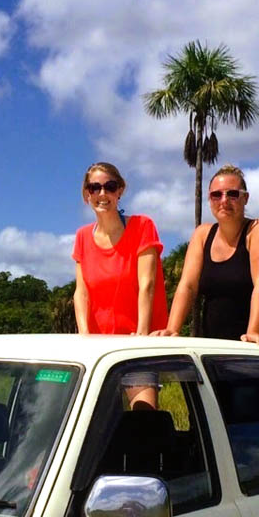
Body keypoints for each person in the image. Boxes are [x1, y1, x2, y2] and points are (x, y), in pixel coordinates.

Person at [152, 165, 259, 349]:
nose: (224, 200)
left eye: (233, 194)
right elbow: (187, 286)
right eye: (216, 195)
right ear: (209, 199)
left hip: (255, 347)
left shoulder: (258, 230)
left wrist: (253, 332)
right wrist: (172, 329)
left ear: (245, 198)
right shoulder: (202, 235)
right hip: (214, 347)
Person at [72, 162, 168, 406]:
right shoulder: (82, 237)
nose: (102, 194)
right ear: (87, 194)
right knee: (99, 424)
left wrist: (142, 337)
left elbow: (147, 284)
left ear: (120, 191)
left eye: (109, 186)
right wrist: (85, 337)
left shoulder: (142, 226)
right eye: (95, 188)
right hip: (98, 348)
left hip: (136, 342)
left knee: (144, 413)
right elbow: (81, 293)